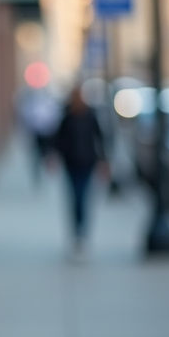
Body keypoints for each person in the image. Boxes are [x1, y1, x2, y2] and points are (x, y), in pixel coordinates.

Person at [51, 85, 108, 259]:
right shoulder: (67, 117)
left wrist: (103, 161)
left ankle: (82, 234)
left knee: (83, 197)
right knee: (74, 198)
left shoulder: (90, 116)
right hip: (71, 164)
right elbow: (58, 139)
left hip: (87, 164)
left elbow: (100, 138)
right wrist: (53, 157)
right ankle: (76, 233)